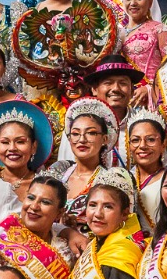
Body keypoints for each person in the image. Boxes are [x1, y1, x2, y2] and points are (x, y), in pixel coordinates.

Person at [49, 99, 117, 231]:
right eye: (75, 134)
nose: (81, 140)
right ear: (69, 139)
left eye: (91, 133)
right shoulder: (58, 172)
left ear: (104, 139)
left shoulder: (109, 180)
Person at [0, 99, 54, 204]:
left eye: (20, 142)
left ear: (33, 147)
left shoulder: (46, 186)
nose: (12, 148)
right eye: (5, 142)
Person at [118, 0, 167, 103]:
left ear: (150, 2)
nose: (133, 3)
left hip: (150, 99)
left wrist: (149, 88)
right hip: (121, 98)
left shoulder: (160, 30)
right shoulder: (116, 33)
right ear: (122, 1)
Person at [85, 57, 144, 163]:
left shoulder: (143, 124)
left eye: (123, 83)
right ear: (94, 89)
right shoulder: (79, 127)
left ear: (131, 90)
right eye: (108, 83)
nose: (116, 88)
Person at [127, 111, 167, 232]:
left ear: (163, 144)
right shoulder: (123, 177)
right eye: (135, 140)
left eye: (150, 140)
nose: (143, 146)